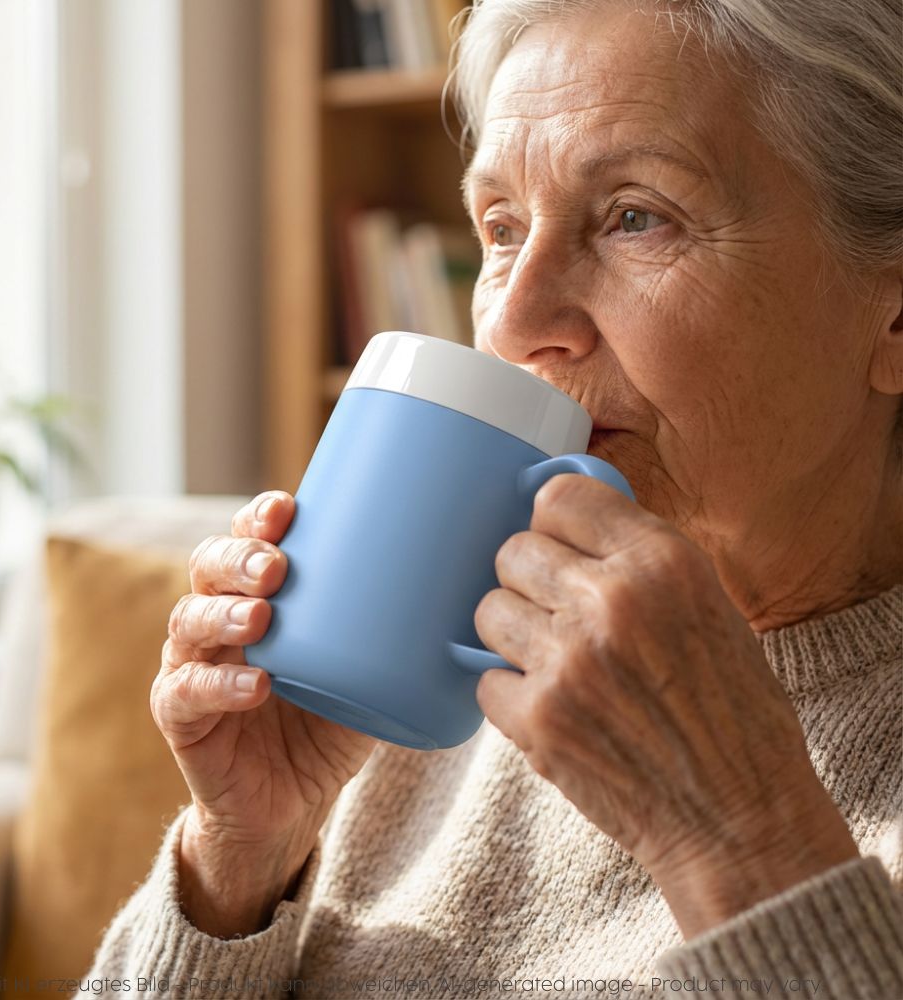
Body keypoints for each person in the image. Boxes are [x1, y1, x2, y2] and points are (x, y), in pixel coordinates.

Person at [81, 1, 903, 996]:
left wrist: (739, 835)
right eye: (501, 228)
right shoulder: (414, 666)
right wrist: (241, 858)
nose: (514, 320)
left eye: (636, 215)